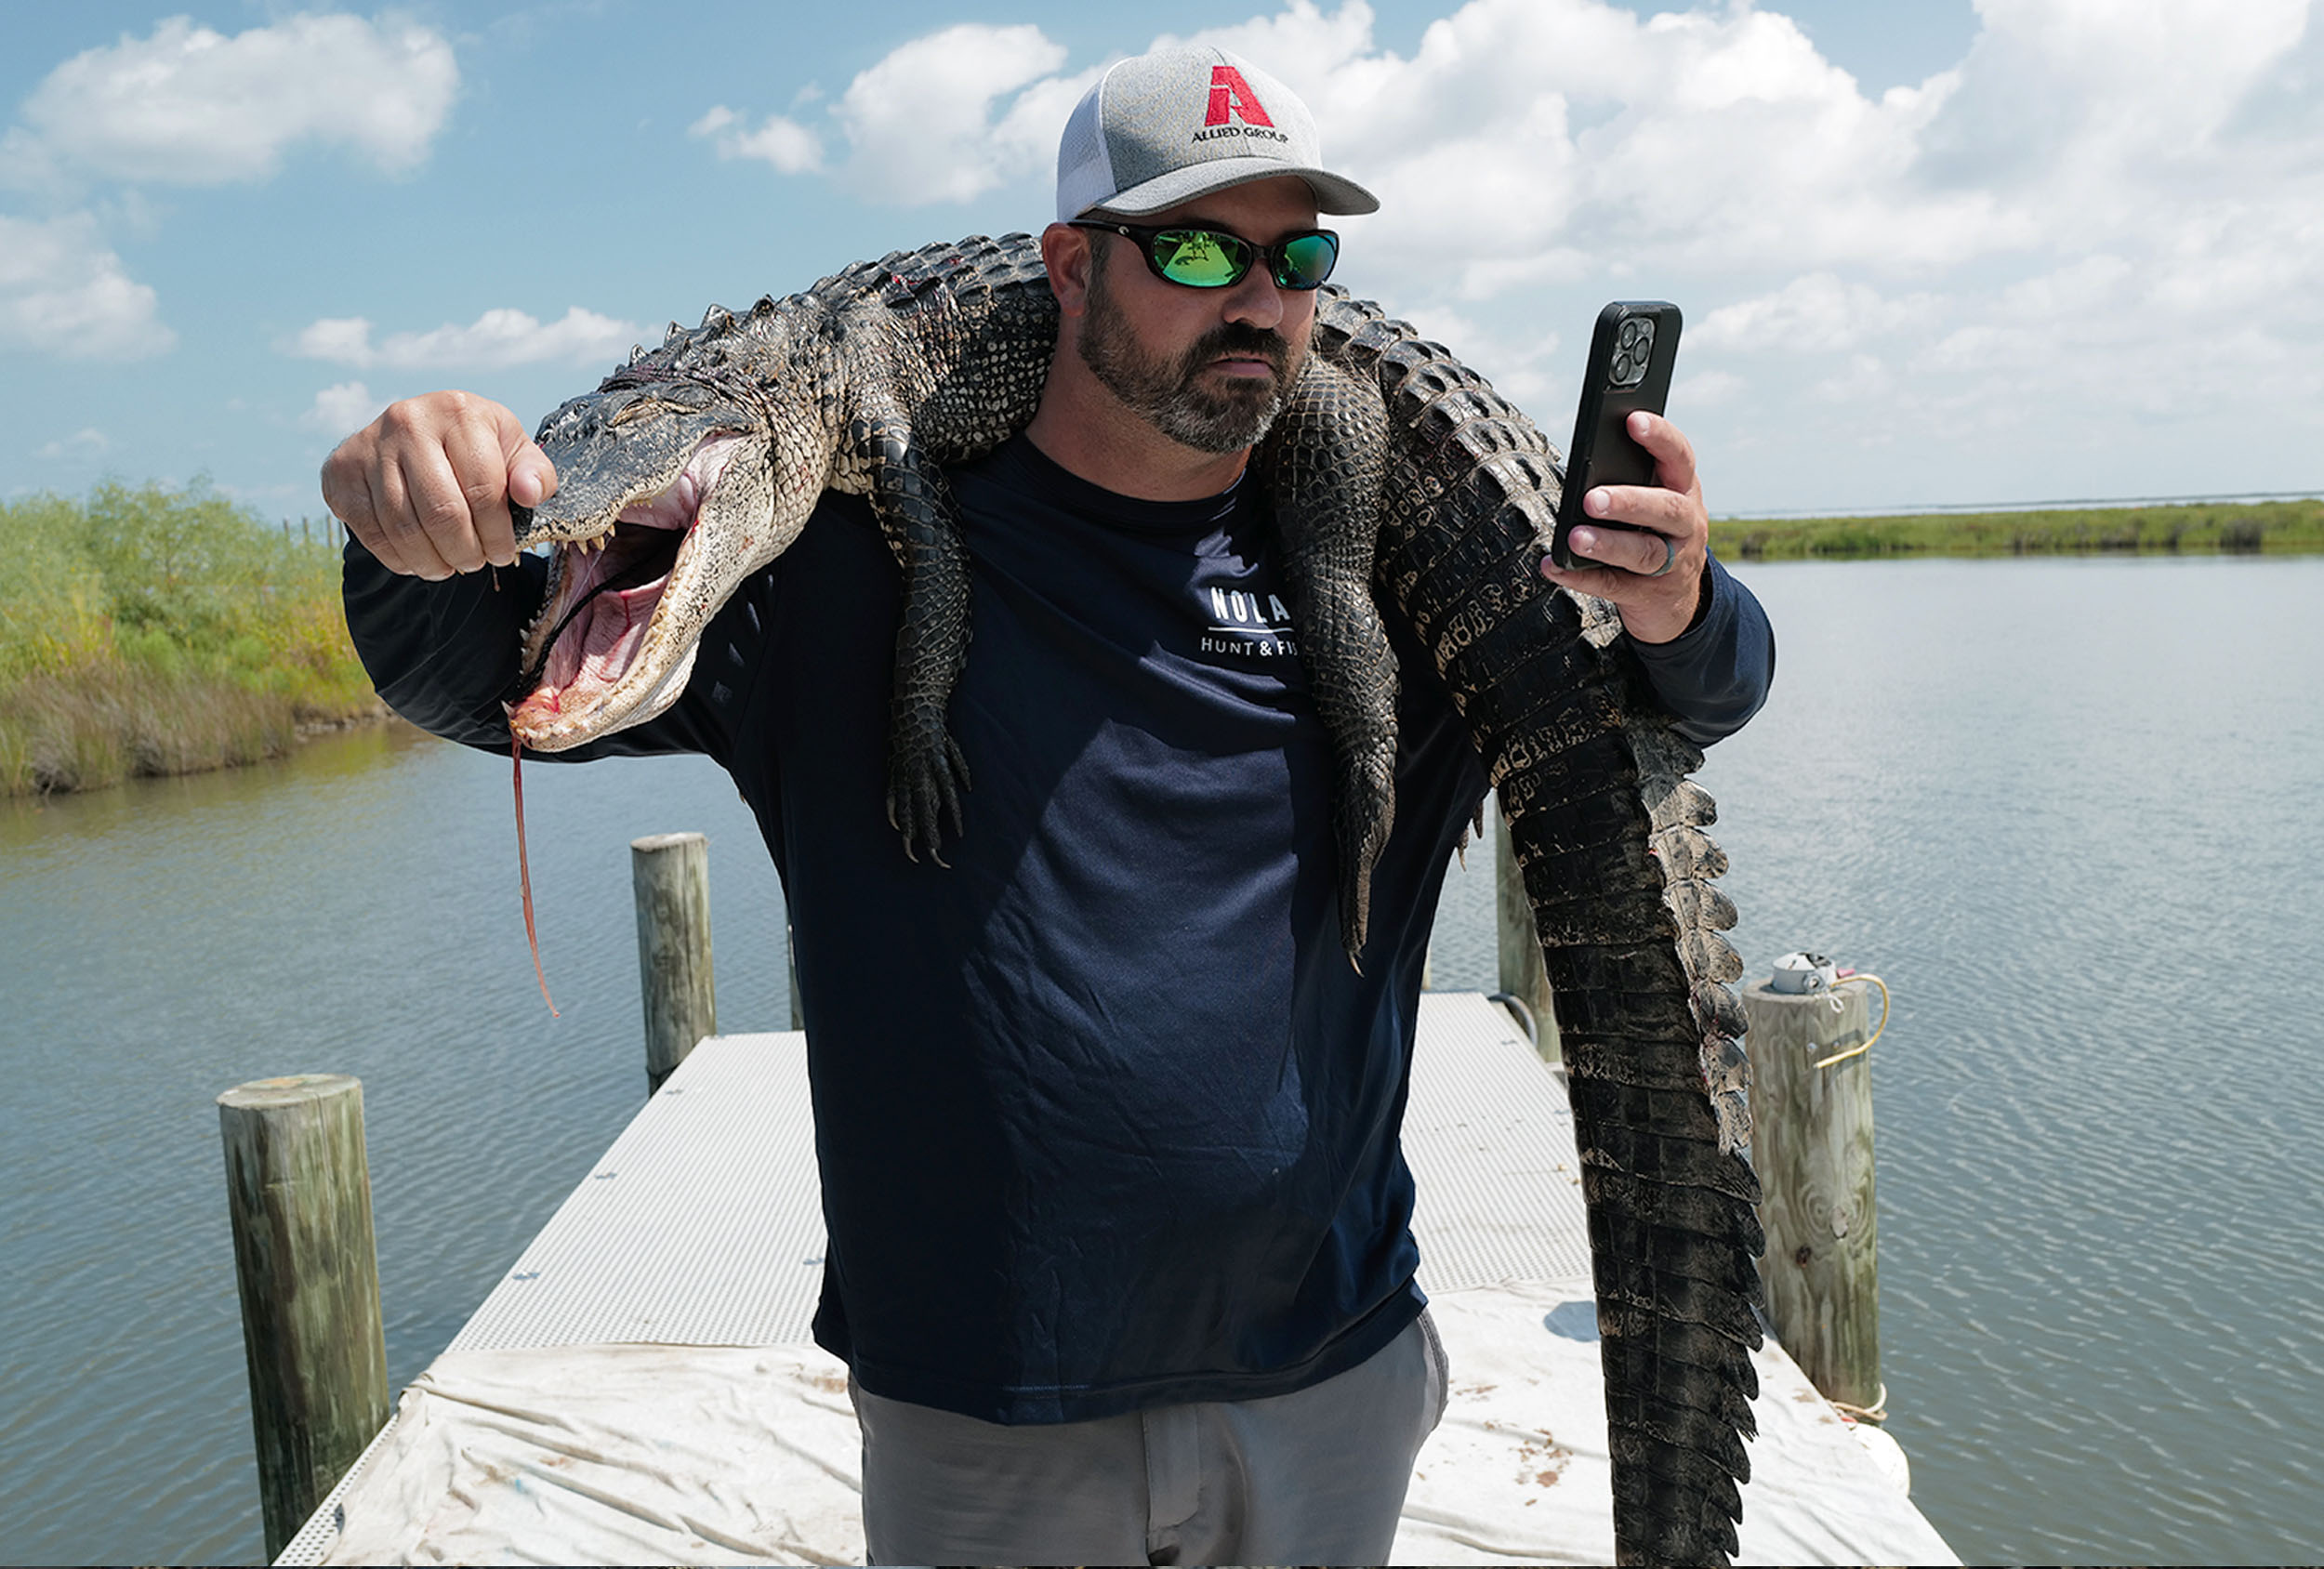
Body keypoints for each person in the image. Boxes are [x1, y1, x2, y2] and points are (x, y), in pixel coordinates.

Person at [326, 46, 1773, 1565]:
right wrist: (403, 523)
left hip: (1326, 1375)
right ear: (1072, 267)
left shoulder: (1384, 570)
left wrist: (1684, 599)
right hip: (982, 1411)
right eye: (1199, 251)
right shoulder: (835, 566)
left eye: (1299, 260)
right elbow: (462, 674)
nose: (1259, 300)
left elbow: (1672, 706)